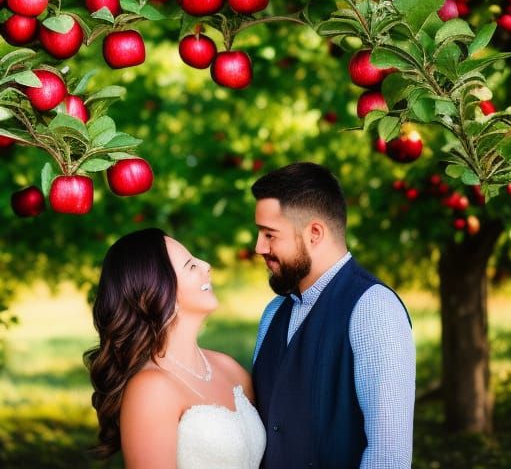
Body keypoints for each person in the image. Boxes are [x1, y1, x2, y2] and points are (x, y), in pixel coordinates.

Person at [251, 162, 415, 469]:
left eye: (269, 234)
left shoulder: (374, 308)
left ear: (314, 233)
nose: (259, 247)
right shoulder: (273, 313)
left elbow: (388, 456)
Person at [84, 228, 265, 469]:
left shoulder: (227, 367)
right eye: (191, 266)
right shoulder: (151, 388)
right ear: (159, 292)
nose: (206, 265)